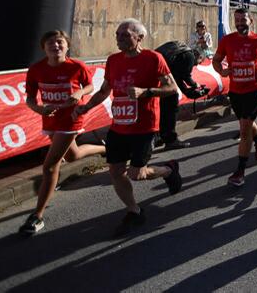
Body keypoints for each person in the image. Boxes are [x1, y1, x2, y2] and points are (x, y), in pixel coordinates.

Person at [73, 19, 182, 237]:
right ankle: (134, 211)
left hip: (145, 126)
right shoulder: (113, 61)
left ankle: (169, 170)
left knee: (137, 174)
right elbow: (104, 91)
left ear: (139, 37)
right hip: (119, 126)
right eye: (117, 35)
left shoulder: (153, 58)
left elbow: (172, 88)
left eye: (125, 34)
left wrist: (147, 92)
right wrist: (86, 107)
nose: (119, 38)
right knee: (116, 171)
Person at [19, 31, 106, 236]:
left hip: (71, 119)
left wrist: (79, 93)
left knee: (50, 166)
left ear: (67, 47)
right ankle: (105, 148)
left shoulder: (76, 66)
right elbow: (30, 99)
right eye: (50, 42)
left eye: (60, 42)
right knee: (72, 155)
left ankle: (37, 216)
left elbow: (90, 86)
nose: (55, 46)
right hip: (50, 119)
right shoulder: (36, 69)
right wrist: (40, 109)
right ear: (44, 47)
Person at [212, 8, 257, 187]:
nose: (240, 23)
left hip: (254, 89)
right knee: (245, 124)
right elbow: (216, 60)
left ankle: (240, 171)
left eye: (243, 19)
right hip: (235, 91)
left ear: (251, 21)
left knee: (244, 129)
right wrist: (221, 71)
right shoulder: (227, 40)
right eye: (237, 20)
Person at [155, 41, 210, 150]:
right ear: (198, 56)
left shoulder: (179, 53)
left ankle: (162, 136)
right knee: (170, 107)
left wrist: (189, 92)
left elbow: (177, 79)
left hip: (158, 76)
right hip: (161, 76)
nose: (195, 65)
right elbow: (185, 77)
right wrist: (196, 85)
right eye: (198, 62)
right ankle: (170, 140)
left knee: (163, 108)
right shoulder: (189, 55)